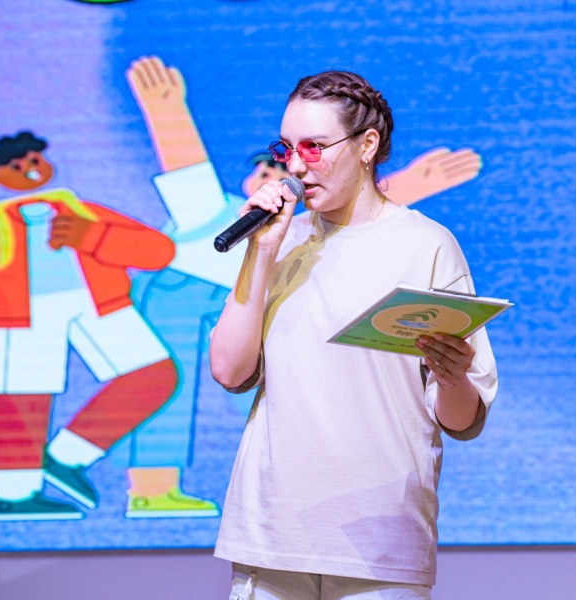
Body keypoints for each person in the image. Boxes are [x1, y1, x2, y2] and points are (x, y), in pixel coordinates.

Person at [209, 71, 498, 599]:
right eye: (287, 148)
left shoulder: (426, 245)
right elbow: (229, 371)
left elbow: (462, 420)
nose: (296, 167)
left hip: (379, 540)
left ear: (367, 146)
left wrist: (452, 376)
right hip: (273, 533)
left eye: (314, 147)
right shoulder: (281, 240)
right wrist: (261, 251)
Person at [0, 131, 179, 521]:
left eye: (34, 161)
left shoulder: (82, 213)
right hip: (22, 316)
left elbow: (158, 251)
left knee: (153, 375)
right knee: (21, 400)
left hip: (100, 304)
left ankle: (64, 457)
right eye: (16, 166)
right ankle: (15, 495)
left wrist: (93, 237)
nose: (29, 171)